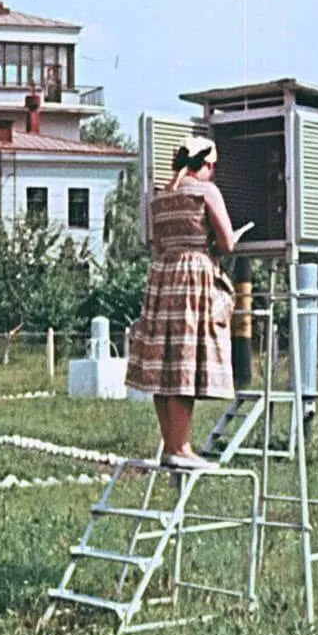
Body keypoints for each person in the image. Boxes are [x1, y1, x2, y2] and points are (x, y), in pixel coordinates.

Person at [125, 134, 237, 468]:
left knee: (166, 365)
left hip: (164, 278)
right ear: (205, 164)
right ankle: (181, 448)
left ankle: (171, 443)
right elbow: (227, 242)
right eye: (211, 167)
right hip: (193, 277)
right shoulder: (207, 192)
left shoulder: (162, 196)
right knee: (185, 364)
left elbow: (158, 245)